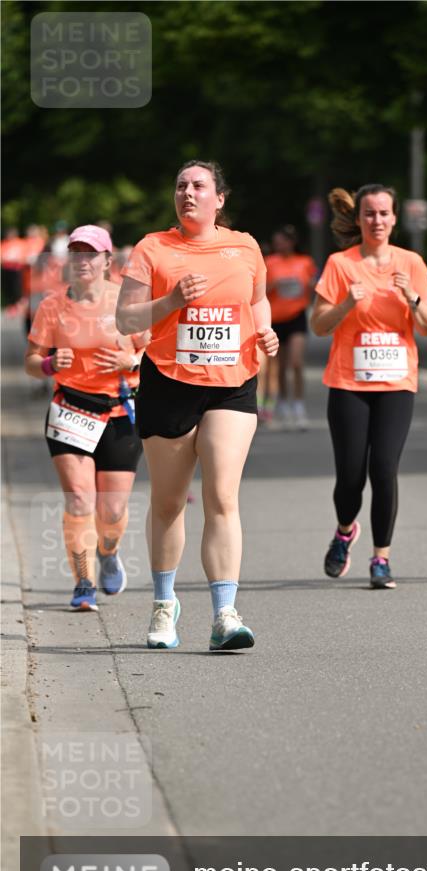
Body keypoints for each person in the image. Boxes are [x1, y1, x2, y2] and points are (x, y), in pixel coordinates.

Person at [116, 159, 278, 651]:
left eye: (199, 185)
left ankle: (225, 614)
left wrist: (265, 330)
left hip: (232, 383)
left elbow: (258, 302)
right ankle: (165, 605)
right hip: (168, 382)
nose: (188, 193)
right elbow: (125, 319)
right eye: (181, 185)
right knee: (168, 503)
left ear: (219, 199)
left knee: (222, 496)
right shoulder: (153, 248)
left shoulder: (244, 246)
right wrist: (171, 303)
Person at [311, 184, 427, 589]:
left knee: (384, 469)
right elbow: (318, 325)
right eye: (370, 213)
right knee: (350, 477)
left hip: (397, 383)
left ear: (395, 218)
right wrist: (347, 303)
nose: (377, 221)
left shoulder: (411, 263)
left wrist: (412, 297)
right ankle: (345, 529)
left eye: (384, 213)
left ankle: (380, 559)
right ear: (359, 218)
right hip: (348, 382)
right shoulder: (340, 264)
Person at [24, 225, 149, 610]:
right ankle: (83, 583)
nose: (82, 260)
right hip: (70, 410)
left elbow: (154, 356)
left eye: (90, 253)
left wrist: (131, 360)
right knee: (79, 498)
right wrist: (47, 363)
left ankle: (108, 552)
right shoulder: (51, 306)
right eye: (76, 253)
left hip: (118, 411)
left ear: (107, 261)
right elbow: (30, 362)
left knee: (111, 511)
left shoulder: (126, 304)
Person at [265, 226, 317, 429]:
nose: (279, 245)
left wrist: (312, 288)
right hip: (276, 319)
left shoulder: (304, 262)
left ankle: (298, 405)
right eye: (276, 242)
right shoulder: (270, 263)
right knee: (279, 366)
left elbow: (313, 285)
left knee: (296, 362)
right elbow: (259, 291)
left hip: (297, 317)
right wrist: (274, 286)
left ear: (291, 242)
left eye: (282, 241)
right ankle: (284, 403)